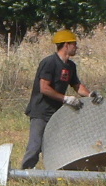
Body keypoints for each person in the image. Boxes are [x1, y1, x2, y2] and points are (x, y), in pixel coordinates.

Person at [21, 29, 97, 170]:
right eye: (74, 44)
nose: (76, 47)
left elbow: (77, 86)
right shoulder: (49, 62)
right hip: (41, 111)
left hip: (57, 113)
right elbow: (44, 88)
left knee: (54, 146)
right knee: (35, 146)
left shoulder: (71, 66)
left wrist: (90, 95)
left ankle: (53, 175)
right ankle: (24, 175)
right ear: (66, 45)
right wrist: (65, 98)